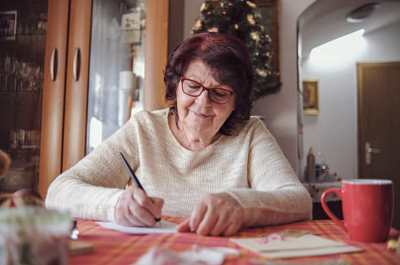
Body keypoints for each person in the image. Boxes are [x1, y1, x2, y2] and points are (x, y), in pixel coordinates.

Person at [45, 32, 312, 236]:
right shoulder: (144, 128)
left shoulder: (251, 133)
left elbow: (299, 202)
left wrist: (240, 205)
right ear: (176, 85)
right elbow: (58, 192)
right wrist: (115, 203)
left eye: (220, 93)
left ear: (236, 102)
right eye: (193, 86)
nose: (202, 103)